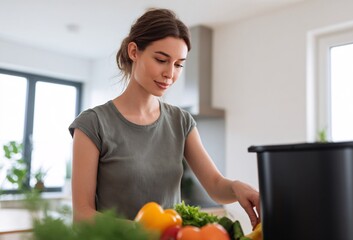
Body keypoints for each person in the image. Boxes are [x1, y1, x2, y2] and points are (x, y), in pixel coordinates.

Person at [69, 8, 260, 227]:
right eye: (161, 60)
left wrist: (237, 187)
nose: (170, 73)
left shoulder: (181, 121)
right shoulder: (92, 124)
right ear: (134, 51)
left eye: (179, 64)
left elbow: (216, 185)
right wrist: (147, 232)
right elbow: (82, 215)